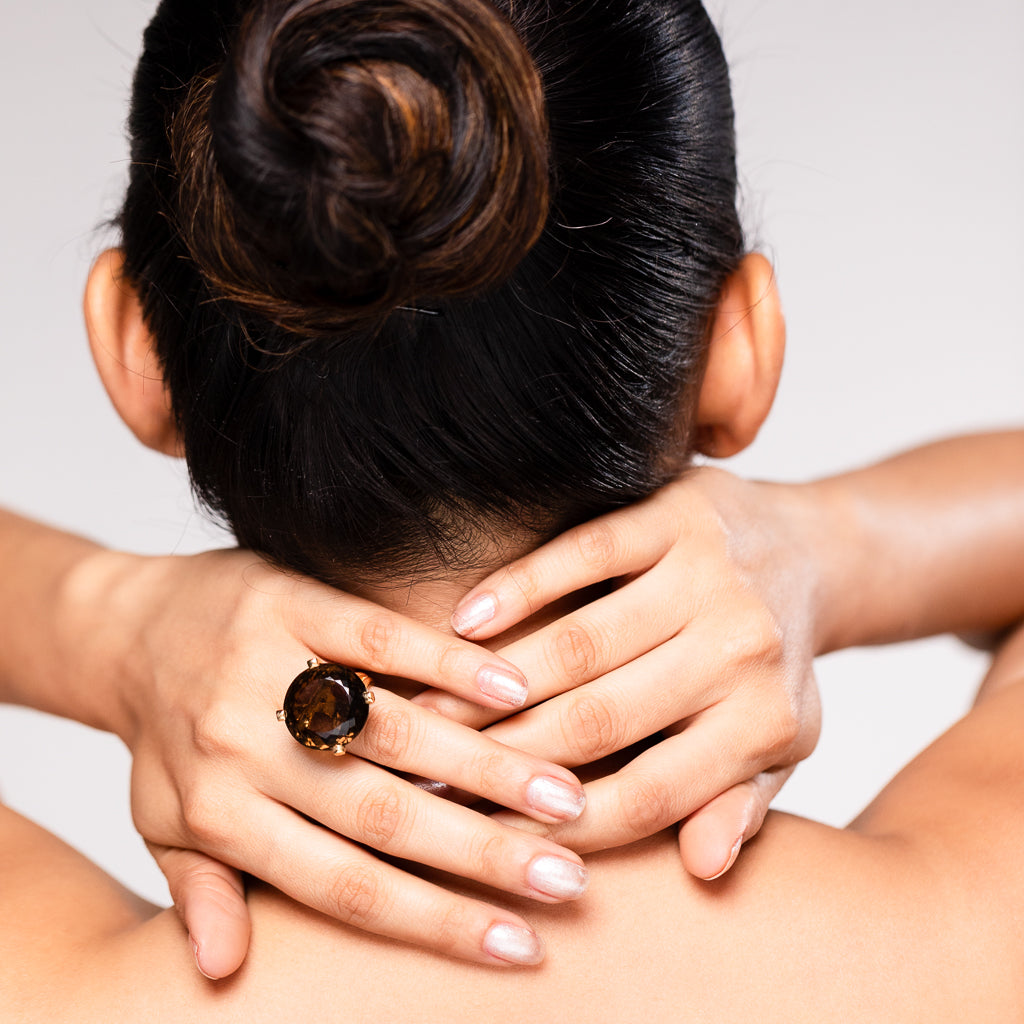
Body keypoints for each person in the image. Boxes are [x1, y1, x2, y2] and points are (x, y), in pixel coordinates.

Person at [3, 0, 1024, 1014]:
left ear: (134, 350)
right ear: (738, 352)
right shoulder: (975, 932)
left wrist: (109, 626)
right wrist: (828, 552)